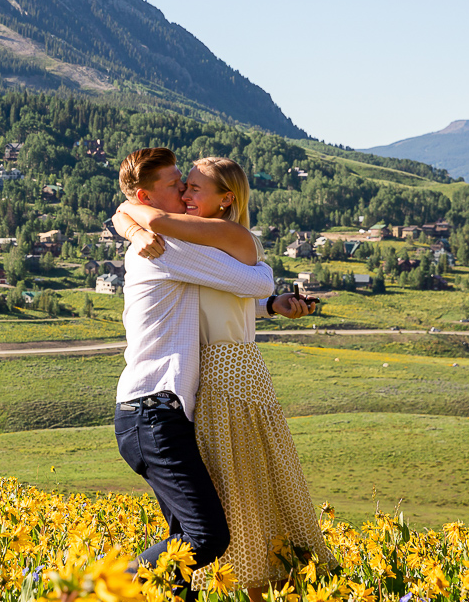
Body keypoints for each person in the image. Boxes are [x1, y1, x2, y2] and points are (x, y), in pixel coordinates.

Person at [113, 155, 336, 600]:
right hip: (155, 410)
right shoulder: (167, 247)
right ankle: (87, 585)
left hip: (163, 410)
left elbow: (226, 294)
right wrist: (134, 220)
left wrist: (271, 306)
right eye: (179, 185)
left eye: (191, 186)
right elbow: (254, 282)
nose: (184, 193)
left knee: (186, 558)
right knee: (207, 538)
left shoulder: (178, 248)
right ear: (147, 197)